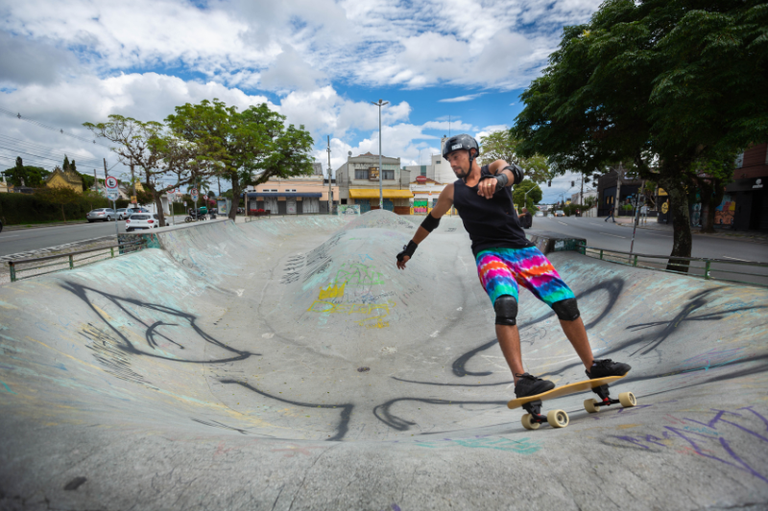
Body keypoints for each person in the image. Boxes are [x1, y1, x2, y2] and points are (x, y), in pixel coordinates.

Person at [395, 134, 630, 398]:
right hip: (488, 253)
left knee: (566, 303)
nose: (453, 163)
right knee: (505, 304)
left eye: (457, 157)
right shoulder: (452, 192)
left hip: (524, 250)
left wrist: (498, 180)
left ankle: (593, 367)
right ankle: (521, 380)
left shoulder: (494, 168)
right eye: (449, 159)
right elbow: (431, 221)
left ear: (472, 153)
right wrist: (410, 249)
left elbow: (512, 172)